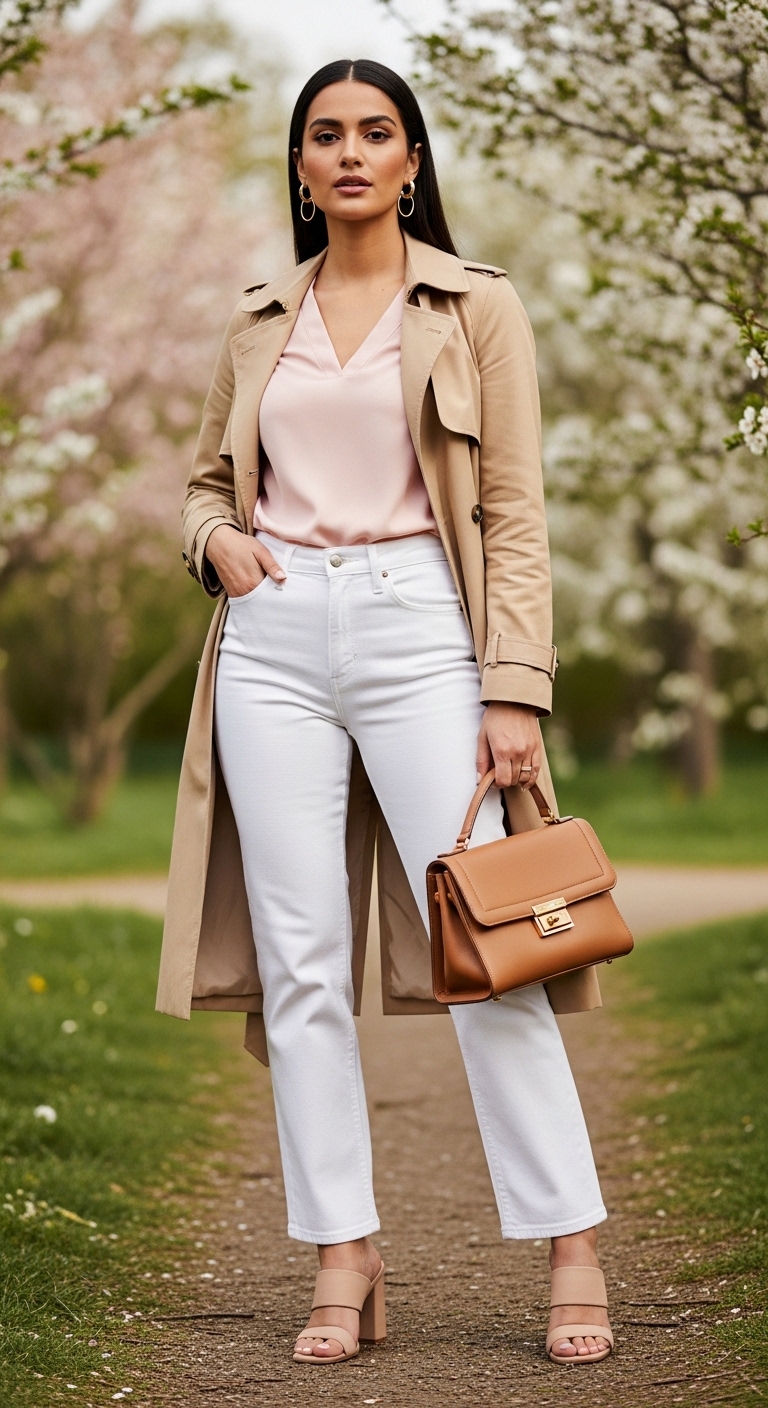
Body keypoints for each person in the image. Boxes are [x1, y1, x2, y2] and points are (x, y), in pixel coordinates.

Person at [156, 57, 614, 1368]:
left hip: (424, 628)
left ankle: (571, 1241)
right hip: (275, 635)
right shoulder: (259, 318)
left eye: (376, 132)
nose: (350, 152)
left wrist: (514, 686)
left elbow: (514, 511)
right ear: (301, 167)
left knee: (489, 942)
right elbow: (204, 485)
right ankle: (342, 1254)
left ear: (413, 160)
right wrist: (215, 546)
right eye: (326, 135)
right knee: (302, 964)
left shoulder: (475, 306)